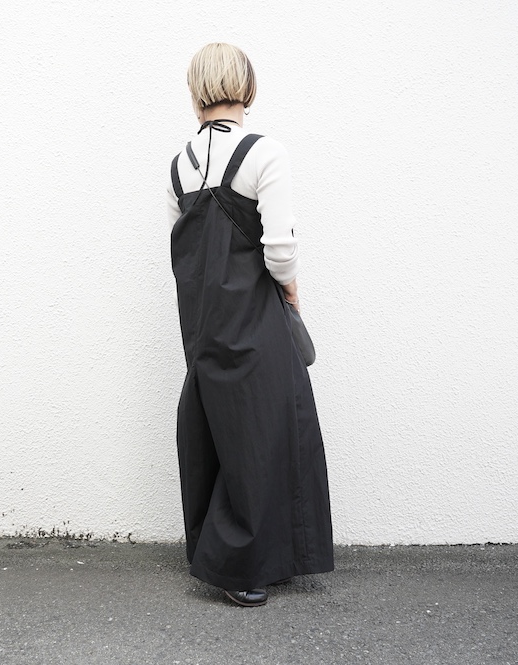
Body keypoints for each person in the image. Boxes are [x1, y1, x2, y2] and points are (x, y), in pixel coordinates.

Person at [166, 43, 334, 608]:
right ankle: (241, 565)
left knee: (222, 435)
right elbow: (280, 248)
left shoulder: (178, 167)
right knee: (270, 431)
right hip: (255, 314)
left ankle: (244, 556)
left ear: (195, 93)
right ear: (249, 87)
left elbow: (184, 252)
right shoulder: (265, 152)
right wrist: (291, 291)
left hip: (204, 321)